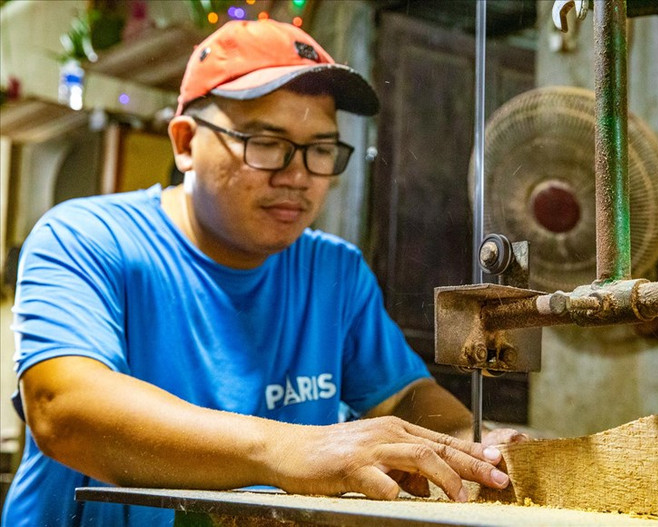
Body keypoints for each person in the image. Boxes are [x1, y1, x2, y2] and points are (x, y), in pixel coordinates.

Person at [2, 18, 523, 526]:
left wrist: (467, 440)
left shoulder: (332, 272)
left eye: (320, 150)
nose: (297, 176)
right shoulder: (87, 239)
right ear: (185, 143)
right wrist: (294, 449)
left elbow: (403, 395)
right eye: (266, 144)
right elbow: (62, 408)